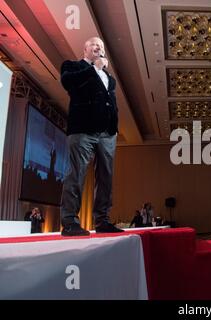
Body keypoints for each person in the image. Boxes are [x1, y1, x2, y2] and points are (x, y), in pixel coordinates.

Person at [59, 37, 123, 236]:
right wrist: (93, 68)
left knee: (106, 177)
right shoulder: (73, 66)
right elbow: (68, 82)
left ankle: (102, 221)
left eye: (102, 46)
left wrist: (114, 125)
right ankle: (69, 222)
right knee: (77, 173)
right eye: (95, 44)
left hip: (107, 133)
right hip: (83, 129)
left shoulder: (108, 77)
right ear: (85, 48)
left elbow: (110, 102)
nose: (99, 47)